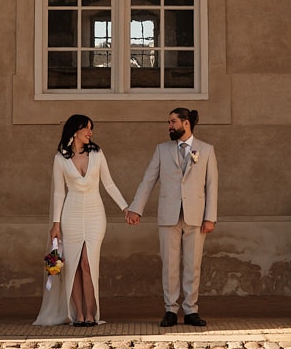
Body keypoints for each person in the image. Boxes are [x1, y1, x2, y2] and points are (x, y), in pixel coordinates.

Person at [126, 107, 217, 328]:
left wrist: (210, 217)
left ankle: (191, 310)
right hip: (168, 214)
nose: (169, 126)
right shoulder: (162, 150)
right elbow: (148, 180)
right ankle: (170, 309)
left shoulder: (206, 150)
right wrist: (136, 208)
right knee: (170, 264)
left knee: (193, 264)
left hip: (196, 215)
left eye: (173, 122)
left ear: (186, 123)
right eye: (169, 122)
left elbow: (212, 185)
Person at [41, 114, 129, 328]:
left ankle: (92, 314)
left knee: (88, 264)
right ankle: (78, 315)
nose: (90, 132)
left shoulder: (97, 154)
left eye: (91, 128)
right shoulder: (60, 158)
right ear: (75, 130)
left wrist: (126, 208)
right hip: (70, 214)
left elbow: (109, 185)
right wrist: (56, 223)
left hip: (95, 214)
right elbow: (59, 193)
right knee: (73, 266)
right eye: (86, 128)